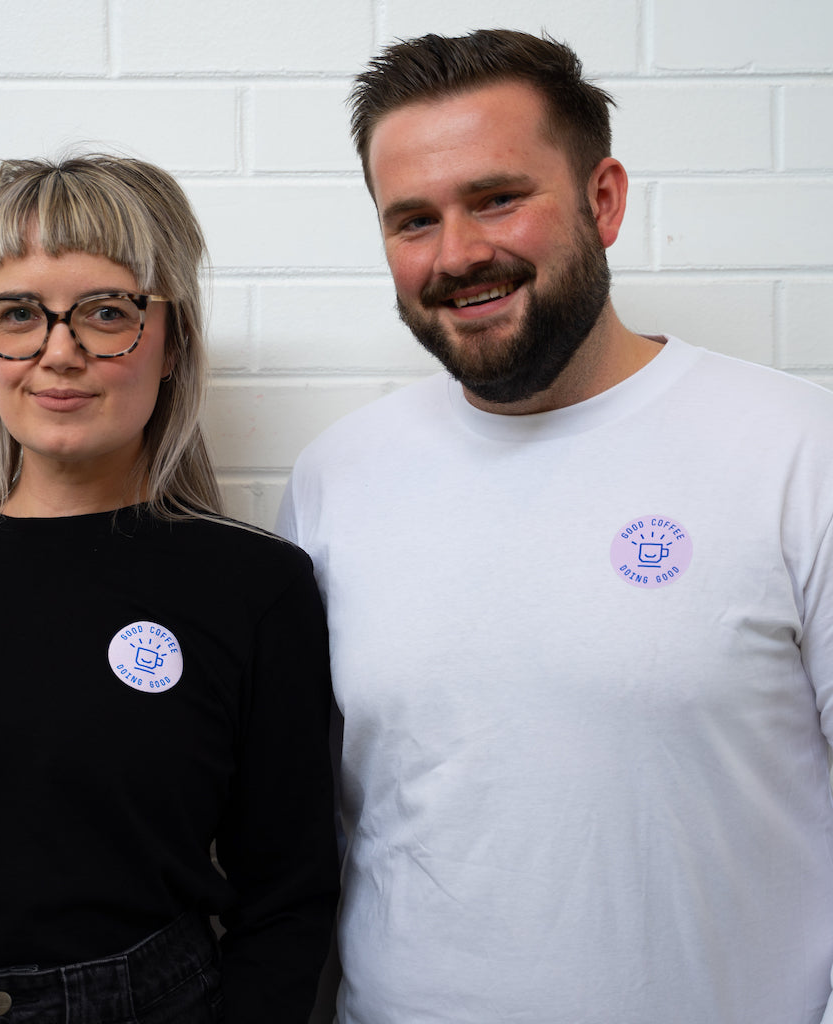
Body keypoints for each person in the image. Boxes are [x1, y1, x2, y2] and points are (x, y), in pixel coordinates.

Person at [277, 28, 833, 1024]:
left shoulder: (796, 451)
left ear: (602, 200)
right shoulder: (335, 480)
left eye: (497, 198)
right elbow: (315, 828)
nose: (457, 254)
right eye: (413, 219)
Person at [0, 155, 339, 1024]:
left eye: (106, 312)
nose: (59, 352)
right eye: (20, 314)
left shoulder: (256, 590)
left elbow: (287, 892)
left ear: (173, 343)